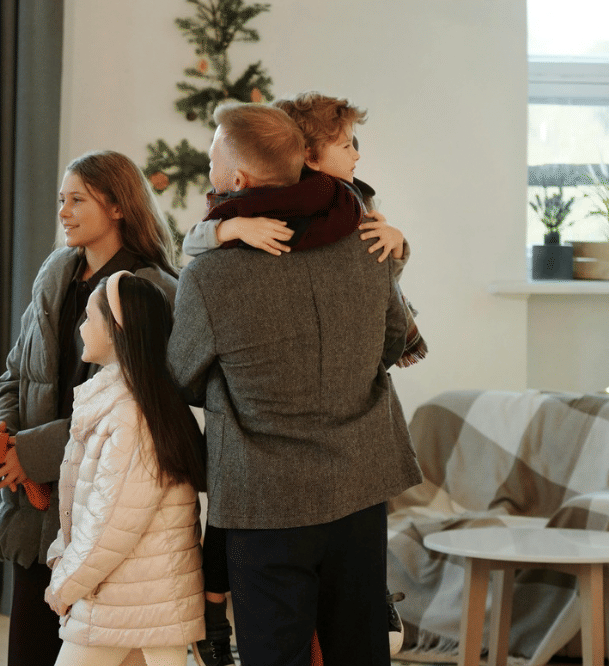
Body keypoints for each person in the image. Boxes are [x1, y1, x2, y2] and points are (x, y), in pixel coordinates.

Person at [168, 101, 423, 666]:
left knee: (274, 655)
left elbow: (181, 377)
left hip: (266, 498)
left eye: (213, 155)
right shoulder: (369, 241)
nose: (210, 165)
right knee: (359, 651)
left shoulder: (209, 272)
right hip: (359, 483)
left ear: (240, 178)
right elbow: (389, 345)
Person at [0, 150, 180, 666]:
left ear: (116, 206)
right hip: (34, 498)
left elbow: (134, 404)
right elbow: (15, 374)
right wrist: (0, 438)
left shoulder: (151, 290)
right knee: (30, 647)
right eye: (61, 200)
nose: (63, 212)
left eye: (77, 200)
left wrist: (31, 452)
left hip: (101, 501)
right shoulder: (55, 273)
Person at [42, 270, 206, 666]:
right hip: (132, 601)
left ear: (116, 329)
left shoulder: (132, 415)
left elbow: (110, 523)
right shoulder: (125, 403)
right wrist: (62, 554)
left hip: (126, 604)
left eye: (89, 319)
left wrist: (64, 585)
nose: (81, 329)